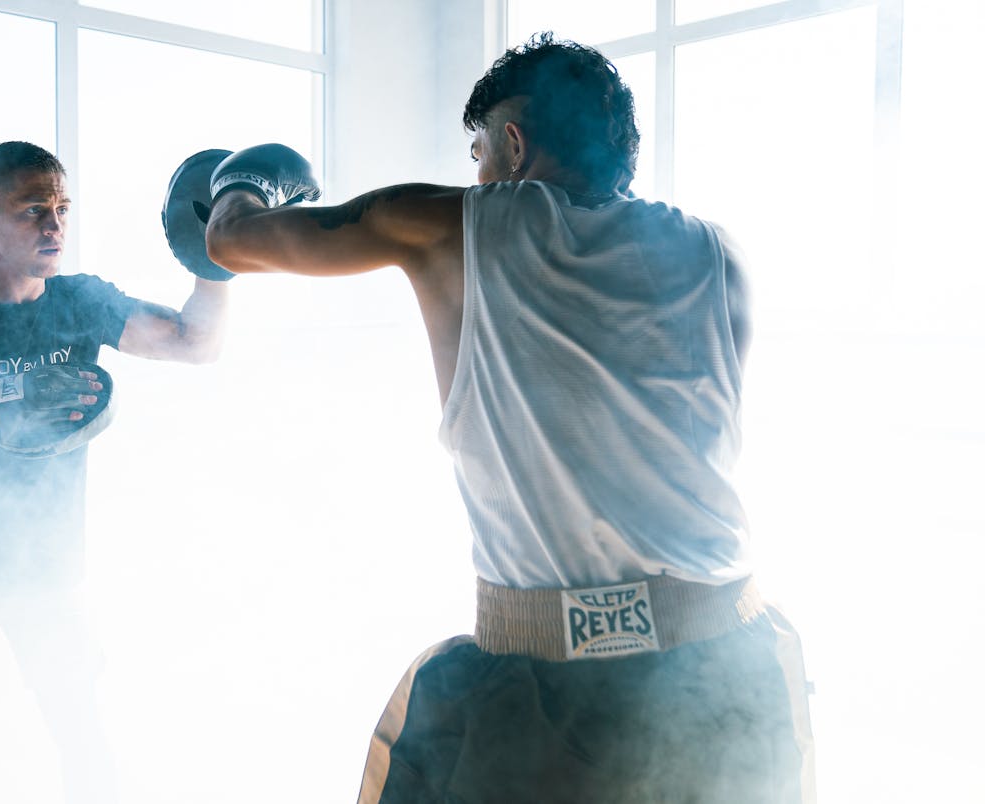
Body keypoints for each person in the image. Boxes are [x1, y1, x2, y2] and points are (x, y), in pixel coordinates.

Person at [202, 33, 814, 804]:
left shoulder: (451, 226)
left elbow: (232, 241)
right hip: (732, 657)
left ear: (513, 143)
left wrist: (239, 181)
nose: (478, 173)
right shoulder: (717, 252)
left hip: (555, 683)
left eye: (479, 152)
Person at [0, 140, 228, 804]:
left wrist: (216, 262)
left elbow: (194, 343)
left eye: (63, 209)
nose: (55, 226)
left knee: (84, 737)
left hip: (47, 575)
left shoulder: (79, 303)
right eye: (35, 211)